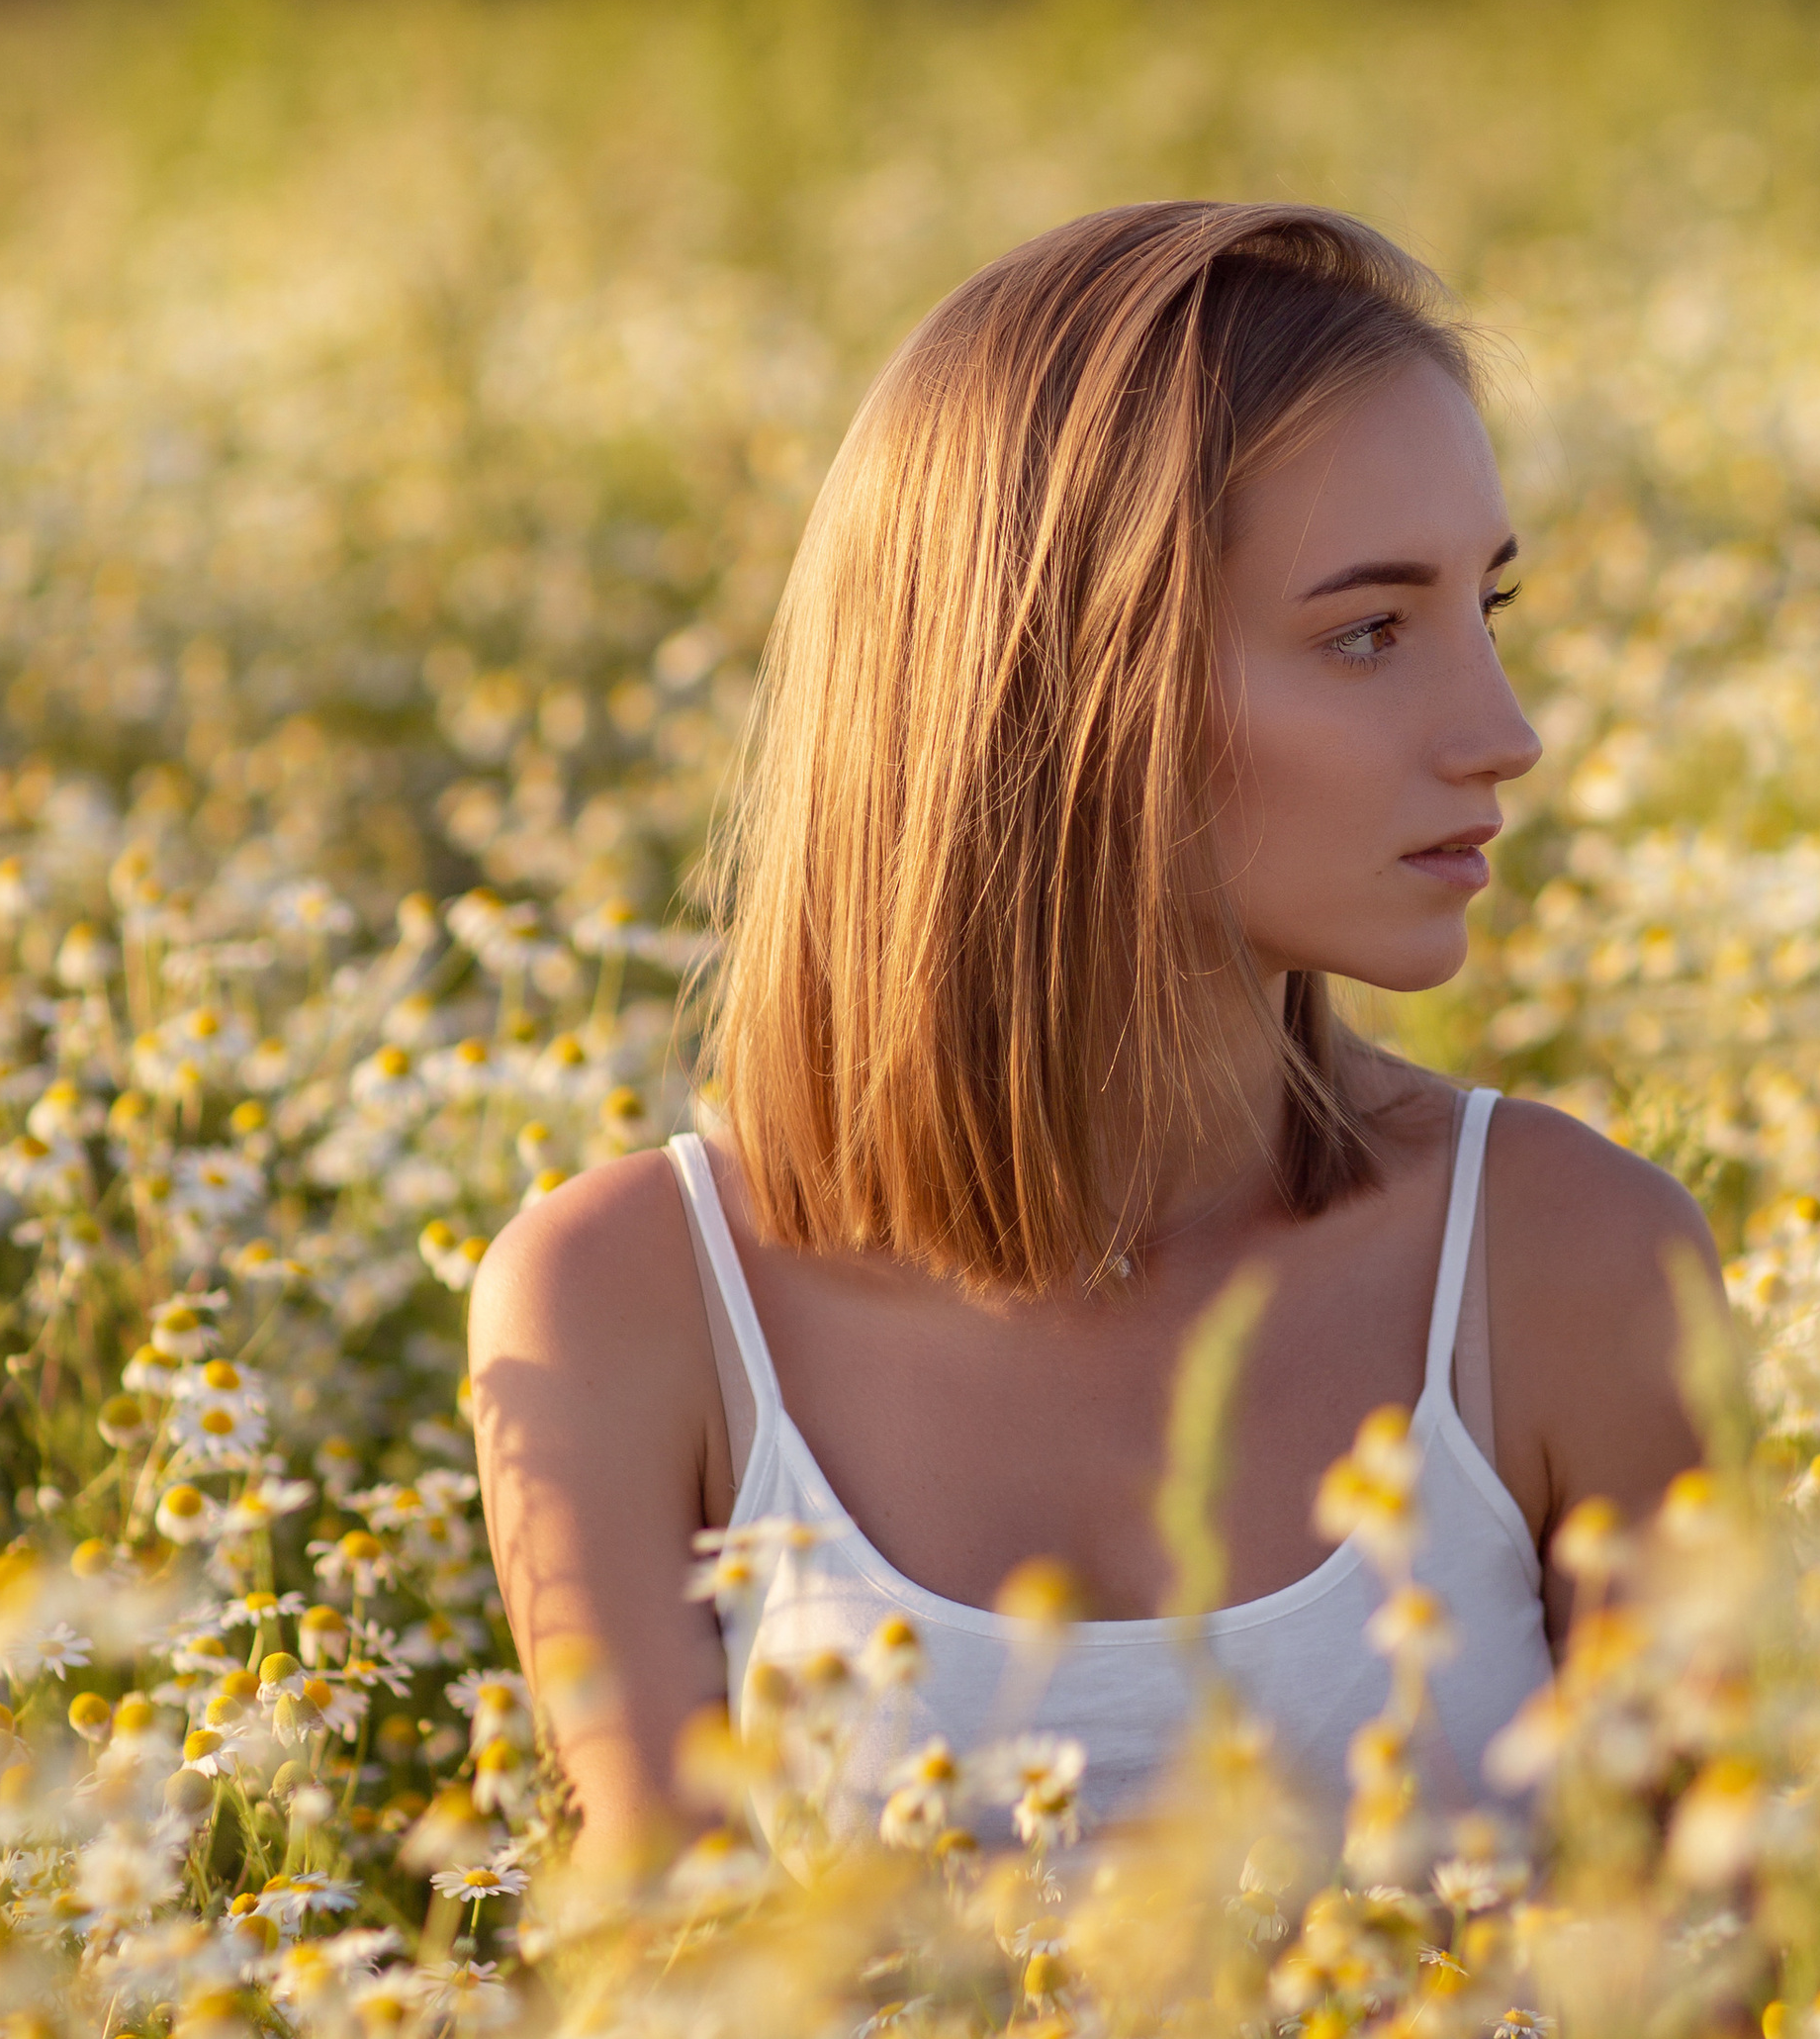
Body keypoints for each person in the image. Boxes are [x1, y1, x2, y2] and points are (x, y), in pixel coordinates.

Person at [471, 201, 1724, 1871]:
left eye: (1490, 610)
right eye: (1367, 632)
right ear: (1062, 683)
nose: (1505, 735)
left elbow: (1723, 2032)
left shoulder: (1572, 1267)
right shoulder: (628, 1310)